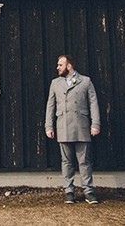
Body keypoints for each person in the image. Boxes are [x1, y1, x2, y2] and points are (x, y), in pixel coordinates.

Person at [45, 54, 101, 204]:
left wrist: (95, 124)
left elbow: (93, 104)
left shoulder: (86, 81)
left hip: (81, 126)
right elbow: (50, 106)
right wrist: (48, 126)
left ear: (69, 66)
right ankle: (69, 191)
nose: (57, 68)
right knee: (67, 162)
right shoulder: (55, 83)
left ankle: (88, 191)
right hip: (63, 126)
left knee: (84, 161)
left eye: (60, 65)